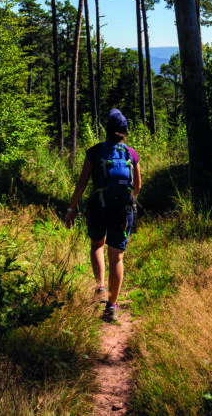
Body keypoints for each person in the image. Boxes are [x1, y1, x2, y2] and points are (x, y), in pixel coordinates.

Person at [65, 108, 141, 322]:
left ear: (106, 130)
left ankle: (100, 287)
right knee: (117, 257)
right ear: (125, 131)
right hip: (122, 211)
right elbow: (137, 186)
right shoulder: (131, 154)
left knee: (98, 244)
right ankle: (112, 307)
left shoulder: (94, 151)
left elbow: (81, 183)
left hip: (98, 207)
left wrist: (71, 209)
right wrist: (124, 199)